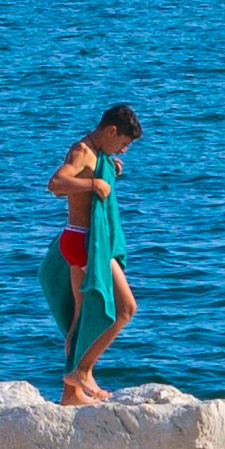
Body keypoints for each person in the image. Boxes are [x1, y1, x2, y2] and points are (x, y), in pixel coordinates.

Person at [45, 104, 143, 405]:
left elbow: (91, 178)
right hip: (86, 242)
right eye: (123, 144)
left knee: (80, 316)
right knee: (125, 308)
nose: (123, 151)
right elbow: (56, 183)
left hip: (76, 239)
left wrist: (107, 168)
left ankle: (70, 393)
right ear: (111, 131)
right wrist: (93, 182)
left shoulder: (96, 154)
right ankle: (82, 371)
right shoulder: (82, 151)